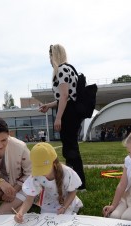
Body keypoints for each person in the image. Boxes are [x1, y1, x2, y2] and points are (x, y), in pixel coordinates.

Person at [38, 44, 86, 191]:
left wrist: (58, 117)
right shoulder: (70, 69)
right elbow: (64, 97)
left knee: (70, 149)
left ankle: (79, 184)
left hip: (68, 112)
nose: (49, 59)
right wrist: (50, 105)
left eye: (50, 55)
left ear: (54, 55)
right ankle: (75, 182)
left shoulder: (61, 70)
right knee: (70, 147)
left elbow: (64, 96)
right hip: (71, 110)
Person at [14, 143, 82, 223]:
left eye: (44, 169)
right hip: (49, 203)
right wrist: (21, 212)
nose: (41, 173)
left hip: (66, 202)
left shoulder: (67, 173)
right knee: (46, 221)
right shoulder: (36, 176)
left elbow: (72, 192)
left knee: (63, 221)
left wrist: (64, 207)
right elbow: (29, 199)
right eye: (38, 169)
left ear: (54, 163)